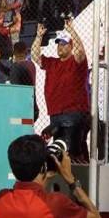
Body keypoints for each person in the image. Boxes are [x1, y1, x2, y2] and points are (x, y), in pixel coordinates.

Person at [0, 135, 100, 218]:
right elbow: (95, 217)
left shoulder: (1, 198)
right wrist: (70, 178)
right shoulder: (56, 203)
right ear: (43, 168)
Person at [31, 19, 90, 162]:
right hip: (56, 114)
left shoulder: (76, 61)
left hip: (74, 113)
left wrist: (71, 31)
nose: (60, 47)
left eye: (63, 44)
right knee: (62, 150)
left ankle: (79, 175)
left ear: (71, 46)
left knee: (71, 151)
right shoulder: (52, 62)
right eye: (58, 44)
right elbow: (34, 56)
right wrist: (39, 36)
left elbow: (80, 51)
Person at [9, 41, 39, 121]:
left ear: (14, 53)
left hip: (21, 109)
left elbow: (16, 89)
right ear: (26, 52)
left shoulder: (16, 67)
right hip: (32, 106)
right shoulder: (31, 65)